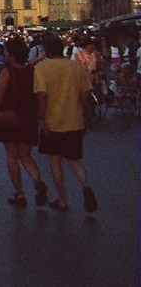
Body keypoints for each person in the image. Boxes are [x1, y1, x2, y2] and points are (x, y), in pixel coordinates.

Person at [33, 32, 96, 212]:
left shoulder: (42, 68)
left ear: (46, 50)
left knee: (55, 160)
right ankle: (86, 187)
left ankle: (62, 199)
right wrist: (85, 116)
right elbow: (85, 95)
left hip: (52, 122)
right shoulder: (76, 67)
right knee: (75, 160)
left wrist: (41, 118)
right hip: (75, 121)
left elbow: (42, 95)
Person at [0, 35, 46, 207]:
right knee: (26, 156)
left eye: (6, 52)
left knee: (12, 156)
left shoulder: (8, 73)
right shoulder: (30, 71)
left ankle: (19, 194)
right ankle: (37, 182)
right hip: (28, 118)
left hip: (11, 118)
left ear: (12, 55)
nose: (4, 55)